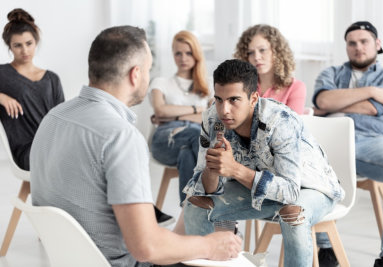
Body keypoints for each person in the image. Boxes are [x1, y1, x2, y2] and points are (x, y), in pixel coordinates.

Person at [30, 26, 241, 267]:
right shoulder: (120, 137)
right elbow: (146, 248)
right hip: (124, 263)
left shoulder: (54, 117)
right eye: (149, 69)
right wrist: (211, 246)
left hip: (74, 259)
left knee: (198, 200)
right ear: (135, 74)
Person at [183, 59, 344, 267]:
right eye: (219, 99)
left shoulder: (281, 121)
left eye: (234, 100)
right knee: (196, 204)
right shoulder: (212, 119)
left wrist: (236, 170)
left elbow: (290, 193)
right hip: (259, 189)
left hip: (311, 188)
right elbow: (203, 187)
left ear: (253, 98)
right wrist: (213, 169)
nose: (224, 110)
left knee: (293, 214)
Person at [313, 21, 383, 267]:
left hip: (370, 142)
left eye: (364, 42)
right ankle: (326, 249)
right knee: (315, 161)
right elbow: (321, 100)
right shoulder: (330, 72)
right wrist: (372, 90)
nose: (358, 47)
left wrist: (334, 103)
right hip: (330, 141)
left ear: (377, 44)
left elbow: (375, 108)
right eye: (352, 43)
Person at [149, 30, 213, 205]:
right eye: (178, 53)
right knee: (198, 138)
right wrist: (197, 109)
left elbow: (213, 117)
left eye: (188, 53)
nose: (183, 58)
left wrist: (176, 114)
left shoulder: (207, 86)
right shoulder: (160, 82)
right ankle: (217, 210)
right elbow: (160, 111)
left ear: (196, 54)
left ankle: (189, 216)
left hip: (192, 141)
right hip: (165, 140)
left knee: (187, 152)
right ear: (173, 54)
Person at [0, 8, 64, 170]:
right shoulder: (3, 73)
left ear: (36, 42)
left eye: (29, 43)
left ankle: (22, 197)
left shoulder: (52, 79)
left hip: (54, 146)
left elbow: (63, 120)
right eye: (17, 46)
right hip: (26, 151)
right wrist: (1, 97)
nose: (25, 51)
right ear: (10, 47)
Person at [234, 24, 306, 114]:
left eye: (262, 50)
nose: (256, 57)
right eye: (250, 52)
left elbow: (293, 126)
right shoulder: (241, 84)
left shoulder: (295, 88)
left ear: (277, 51)